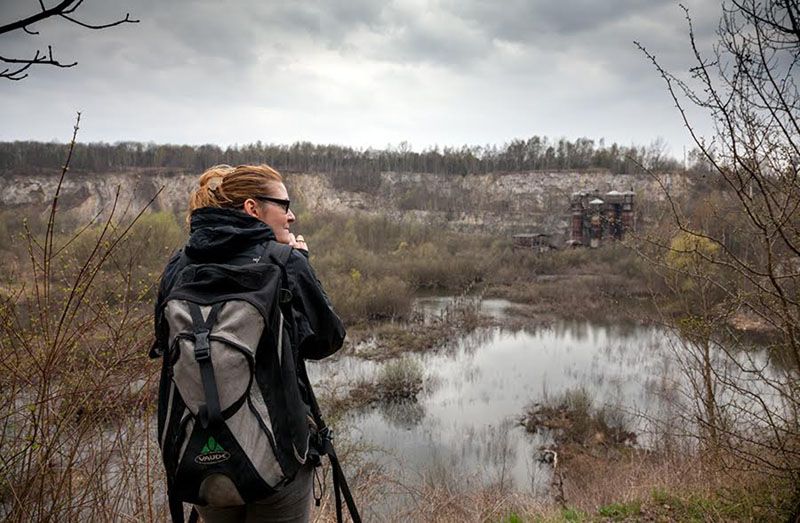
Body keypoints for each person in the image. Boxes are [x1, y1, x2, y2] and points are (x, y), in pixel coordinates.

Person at [151, 164, 346, 523]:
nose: (291, 215)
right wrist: (300, 263)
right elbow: (327, 339)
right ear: (253, 208)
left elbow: (164, 346)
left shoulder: (179, 265)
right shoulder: (284, 261)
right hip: (279, 454)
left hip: (199, 455)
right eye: (283, 204)